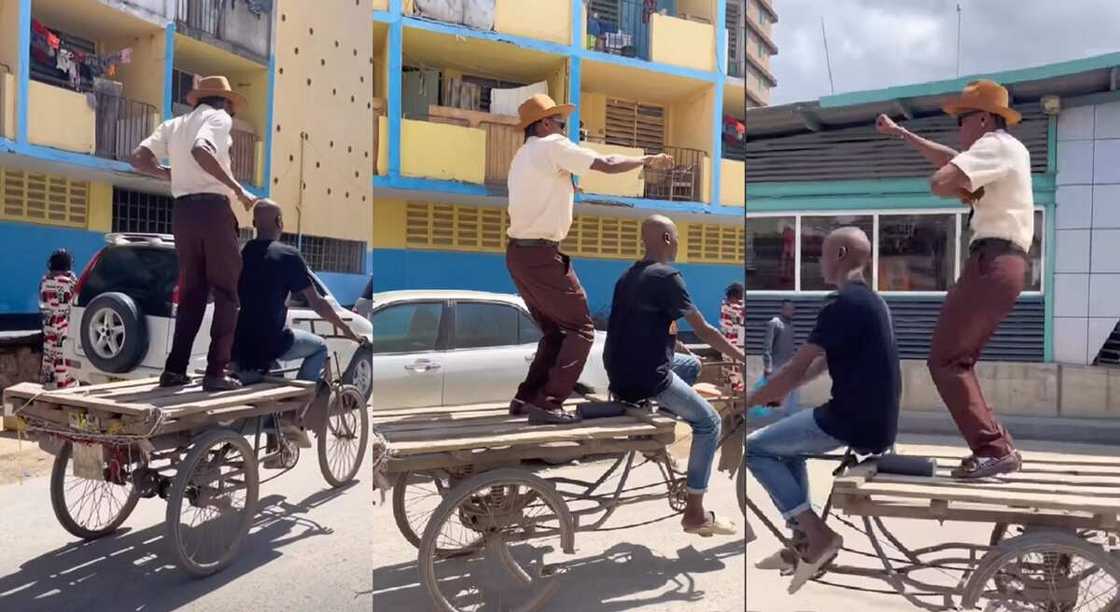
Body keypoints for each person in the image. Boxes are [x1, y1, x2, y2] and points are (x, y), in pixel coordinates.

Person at [876, 79, 1030, 478]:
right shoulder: (1001, 152)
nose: (958, 129)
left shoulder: (996, 146)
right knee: (955, 360)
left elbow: (943, 178)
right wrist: (902, 134)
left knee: (946, 360)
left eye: (962, 120)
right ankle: (996, 445)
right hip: (1001, 264)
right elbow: (953, 159)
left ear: (982, 118)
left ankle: (994, 448)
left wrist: (950, 181)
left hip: (993, 261)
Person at [745, 227, 901, 594]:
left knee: (755, 448)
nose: (818, 262)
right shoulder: (872, 302)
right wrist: (779, 393)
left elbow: (796, 367)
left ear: (842, 253)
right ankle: (803, 538)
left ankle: (818, 536)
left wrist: (750, 402)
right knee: (785, 448)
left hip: (851, 420)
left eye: (822, 254)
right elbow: (820, 364)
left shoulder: (841, 303)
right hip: (873, 420)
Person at [506, 93, 672, 424]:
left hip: (520, 254)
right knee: (581, 330)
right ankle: (549, 402)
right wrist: (645, 160)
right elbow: (606, 163)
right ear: (545, 124)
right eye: (562, 123)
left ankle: (527, 399)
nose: (566, 130)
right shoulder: (551, 145)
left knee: (556, 332)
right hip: (540, 254)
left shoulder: (523, 156)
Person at [605, 215, 745, 537]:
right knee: (710, 422)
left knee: (692, 366)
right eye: (677, 237)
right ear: (668, 239)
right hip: (647, 376)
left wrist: (675, 343)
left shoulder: (628, 276)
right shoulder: (668, 277)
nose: (679, 244)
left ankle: (664, 423)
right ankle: (695, 513)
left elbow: (641, 325)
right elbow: (705, 329)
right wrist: (739, 357)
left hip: (619, 372)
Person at [130, 75, 258, 392]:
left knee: (191, 296)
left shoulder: (175, 124)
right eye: (231, 106)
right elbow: (202, 150)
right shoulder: (218, 118)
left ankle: (174, 370)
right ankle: (217, 371)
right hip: (214, 211)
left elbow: (138, 158)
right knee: (227, 293)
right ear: (224, 102)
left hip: (183, 214)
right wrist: (236, 188)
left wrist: (170, 174)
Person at [232, 200, 363, 386]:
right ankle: (300, 405)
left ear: (254, 224)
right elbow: (317, 303)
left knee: (273, 366)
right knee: (320, 347)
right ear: (279, 222)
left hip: (238, 343)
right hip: (272, 343)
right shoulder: (288, 255)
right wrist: (347, 330)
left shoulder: (243, 252)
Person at [39, 249, 77, 390]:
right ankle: (65, 388)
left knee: (49, 357)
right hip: (65, 326)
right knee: (64, 360)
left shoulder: (44, 280)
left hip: (49, 326)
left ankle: (49, 387)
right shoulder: (70, 281)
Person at [763, 300, 799, 413]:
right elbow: (767, 346)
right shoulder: (774, 323)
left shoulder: (790, 325)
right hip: (776, 365)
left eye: (792, 309)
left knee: (792, 393)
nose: (790, 311)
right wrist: (768, 367)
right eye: (788, 309)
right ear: (782, 309)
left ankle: (790, 417)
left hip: (789, 365)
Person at [719, 282, 745, 392]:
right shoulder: (729, 307)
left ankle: (731, 397)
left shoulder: (725, 305)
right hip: (733, 347)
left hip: (726, 346)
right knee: (734, 374)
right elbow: (739, 312)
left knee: (729, 373)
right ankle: (733, 398)